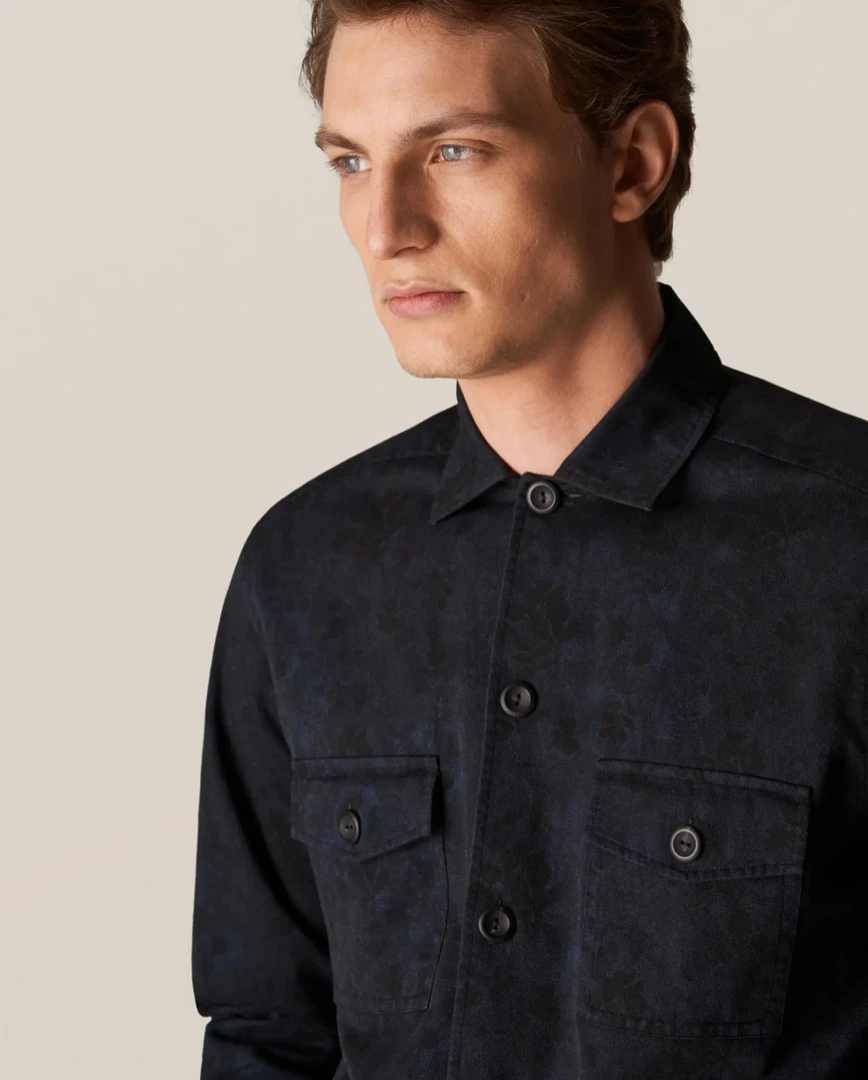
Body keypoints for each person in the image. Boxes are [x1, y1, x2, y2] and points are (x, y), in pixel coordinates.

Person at [190, 2, 868, 1077]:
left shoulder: (846, 545)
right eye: (351, 162)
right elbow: (267, 1033)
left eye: (454, 150)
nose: (387, 228)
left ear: (631, 164)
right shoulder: (304, 569)